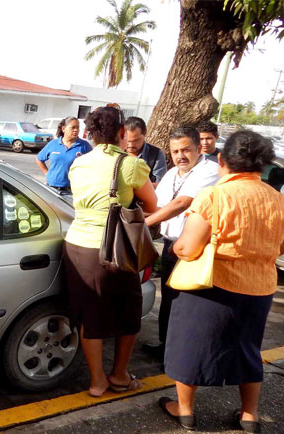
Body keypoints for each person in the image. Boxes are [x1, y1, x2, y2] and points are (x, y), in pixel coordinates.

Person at [159, 130, 284, 433]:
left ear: (222, 161)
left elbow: (188, 248)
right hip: (260, 286)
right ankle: (249, 414)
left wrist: (176, 249)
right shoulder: (278, 199)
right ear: (262, 165)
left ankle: (185, 411)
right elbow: (281, 247)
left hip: (212, 286)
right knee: (248, 347)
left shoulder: (214, 196)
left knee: (191, 344)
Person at [63, 106, 158, 397]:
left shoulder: (79, 162)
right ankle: (119, 375)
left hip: (77, 245)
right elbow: (152, 205)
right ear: (121, 132)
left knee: (89, 314)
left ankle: (97, 382)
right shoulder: (129, 164)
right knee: (128, 313)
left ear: (90, 133)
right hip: (115, 248)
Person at [141, 127, 220, 360]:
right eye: (175, 151)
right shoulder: (172, 173)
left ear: (198, 148)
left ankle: (182, 356)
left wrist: (142, 224)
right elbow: (161, 207)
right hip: (171, 245)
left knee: (188, 305)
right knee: (169, 301)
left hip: (195, 250)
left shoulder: (210, 171)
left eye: (186, 150)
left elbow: (181, 203)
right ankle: (166, 349)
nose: (180, 156)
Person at [35, 116, 92, 193]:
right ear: (63, 129)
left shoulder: (84, 146)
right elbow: (39, 159)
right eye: (73, 127)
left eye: (77, 127)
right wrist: (47, 174)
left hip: (72, 190)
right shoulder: (53, 144)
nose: (76, 130)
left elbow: (92, 165)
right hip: (52, 188)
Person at [124, 116, 167, 185]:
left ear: (145, 133)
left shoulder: (155, 155)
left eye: (136, 140)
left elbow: (160, 184)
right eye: (128, 141)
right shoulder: (115, 152)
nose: (131, 145)